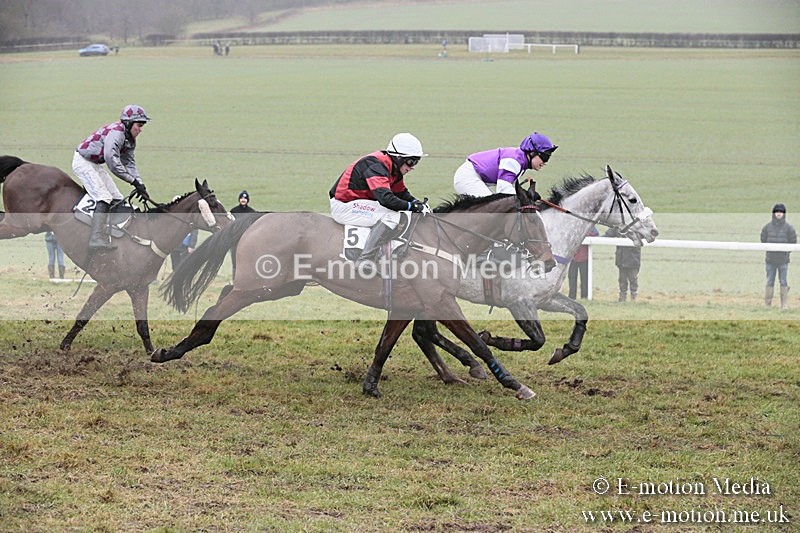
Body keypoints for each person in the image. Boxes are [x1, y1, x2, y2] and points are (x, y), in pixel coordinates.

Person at [329, 132, 428, 262]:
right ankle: (366, 259)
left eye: (416, 162)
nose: (412, 167)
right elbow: (386, 199)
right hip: (344, 206)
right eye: (410, 161)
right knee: (393, 216)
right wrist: (413, 207)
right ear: (398, 157)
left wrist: (416, 202)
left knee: (401, 212)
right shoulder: (375, 166)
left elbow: (401, 192)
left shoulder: (393, 168)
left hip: (359, 203)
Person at [72, 104, 150, 251]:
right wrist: (133, 181)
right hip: (82, 162)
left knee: (117, 197)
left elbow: (129, 164)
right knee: (104, 197)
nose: (140, 129)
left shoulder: (130, 140)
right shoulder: (116, 134)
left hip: (94, 164)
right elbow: (113, 163)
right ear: (128, 123)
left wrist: (140, 185)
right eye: (138, 125)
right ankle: (95, 238)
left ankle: (111, 232)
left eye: (142, 126)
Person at [453, 132, 557, 197]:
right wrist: (526, 197)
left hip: (474, 177)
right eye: (544, 157)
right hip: (468, 177)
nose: (545, 162)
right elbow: (503, 190)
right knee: (491, 207)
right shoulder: (514, 161)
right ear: (532, 152)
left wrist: (526, 194)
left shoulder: (521, 161)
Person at [760, 203, 796, 309]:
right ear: (773, 213)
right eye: (777, 212)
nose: (778, 214)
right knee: (770, 281)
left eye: (781, 212)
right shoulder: (767, 228)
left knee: (783, 281)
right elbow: (763, 240)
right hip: (770, 260)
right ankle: (767, 304)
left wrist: (786, 253)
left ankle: (784, 304)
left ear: (784, 214)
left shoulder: (789, 228)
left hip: (783, 260)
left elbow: (793, 242)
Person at [605, 227, 641, 302]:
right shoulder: (618, 225)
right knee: (622, 279)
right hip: (621, 258)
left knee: (633, 279)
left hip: (633, 258)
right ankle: (622, 297)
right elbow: (608, 235)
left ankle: (633, 297)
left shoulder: (636, 225)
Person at [230, 190, 256, 278]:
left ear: (248, 200)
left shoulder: (252, 212)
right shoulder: (233, 211)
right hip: (235, 241)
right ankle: (235, 279)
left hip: (248, 241)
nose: (243, 200)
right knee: (235, 262)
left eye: (245, 198)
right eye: (241, 198)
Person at [568, 225, 599, 299]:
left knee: (585, 278)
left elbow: (596, 234)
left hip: (585, 256)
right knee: (572, 278)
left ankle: (584, 296)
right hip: (573, 256)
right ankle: (572, 297)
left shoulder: (590, 225)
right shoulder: (571, 225)